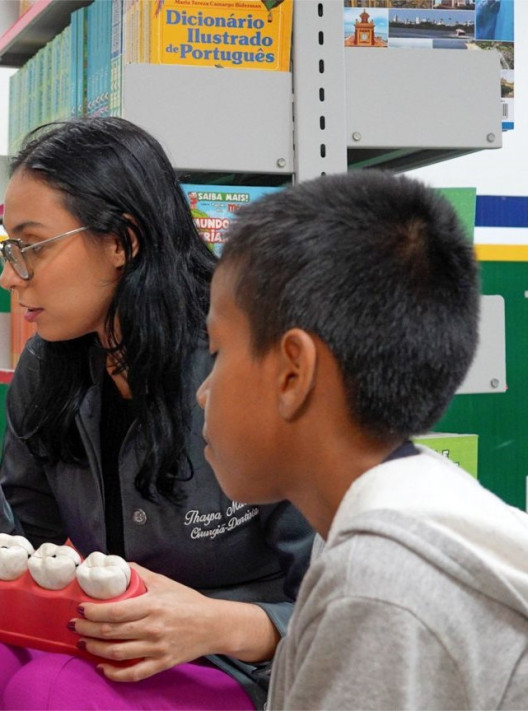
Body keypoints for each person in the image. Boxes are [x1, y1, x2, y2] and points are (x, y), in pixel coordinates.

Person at [0, 117, 314, 710]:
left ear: (122, 242)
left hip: (235, 662)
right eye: (7, 248)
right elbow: (32, 567)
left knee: (50, 692)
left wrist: (214, 623)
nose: (8, 275)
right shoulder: (46, 367)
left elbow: (341, 608)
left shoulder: (247, 362)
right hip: (94, 639)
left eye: (32, 246)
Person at [196, 169, 528, 709]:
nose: (202, 392)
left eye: (217, 351)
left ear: (292, 373)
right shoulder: (413, 511)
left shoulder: (377, 585)